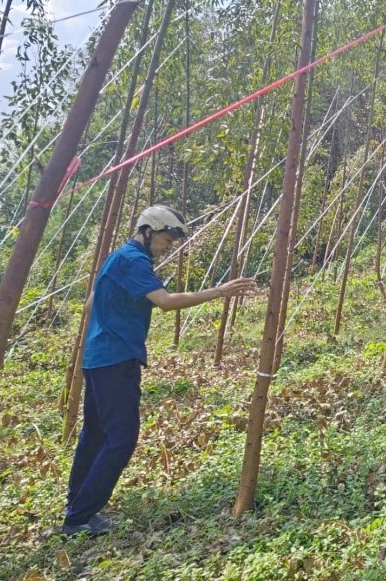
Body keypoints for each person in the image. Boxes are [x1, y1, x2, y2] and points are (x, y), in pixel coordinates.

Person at [60, 205, 254, 536]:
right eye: (167, 238)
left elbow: (91, 304)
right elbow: (164, 302)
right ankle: (80, 516)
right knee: (122, 438)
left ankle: (76, 506)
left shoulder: (119, 257)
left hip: (98, 357)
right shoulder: (134, 260)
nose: (169, 246)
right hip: (117, 358)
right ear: (148, 231)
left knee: (95, 434)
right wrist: (220, 291)